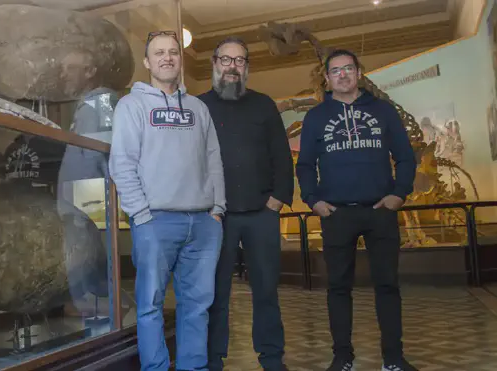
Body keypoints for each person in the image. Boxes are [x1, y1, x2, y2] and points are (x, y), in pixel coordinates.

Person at [109, 30, 226, 371]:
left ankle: (194, 367)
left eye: (173, 52)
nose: (167, 57)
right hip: (155, 222)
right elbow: (122, 163)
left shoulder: (198, 108)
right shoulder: (132, 105)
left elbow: (213, 159)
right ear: (147, 62)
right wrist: (141, 215)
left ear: (180, 58)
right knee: (149, 306)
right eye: (158, 52)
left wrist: (217, 210)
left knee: (197, 306)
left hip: (204, 223)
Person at [295, 49, 418, 371]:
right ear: (327, 78)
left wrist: (399, 195)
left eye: (348, 68)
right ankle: (342, 357)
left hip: (380, 211)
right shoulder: (316, 117)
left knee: (388, 286)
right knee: (337, 288)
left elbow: (406, 157)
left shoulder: (383, 111)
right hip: (336, 214)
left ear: (359, 72)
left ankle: (393, 359)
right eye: (335, 71)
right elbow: (305, 164)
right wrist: (313, 200)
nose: (343, 75)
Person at [198, 37, 294, 371]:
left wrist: (277, 201)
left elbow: (282, 156)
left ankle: (271, 357)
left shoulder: (264, 105)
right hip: (215, 217)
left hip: (261, 214)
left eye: (239, 61)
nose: (232, 67)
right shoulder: (199, 107)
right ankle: (213, 360)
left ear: (246, 68)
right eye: (226, 60)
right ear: (214, 64)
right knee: (215, 294)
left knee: (266, 290)